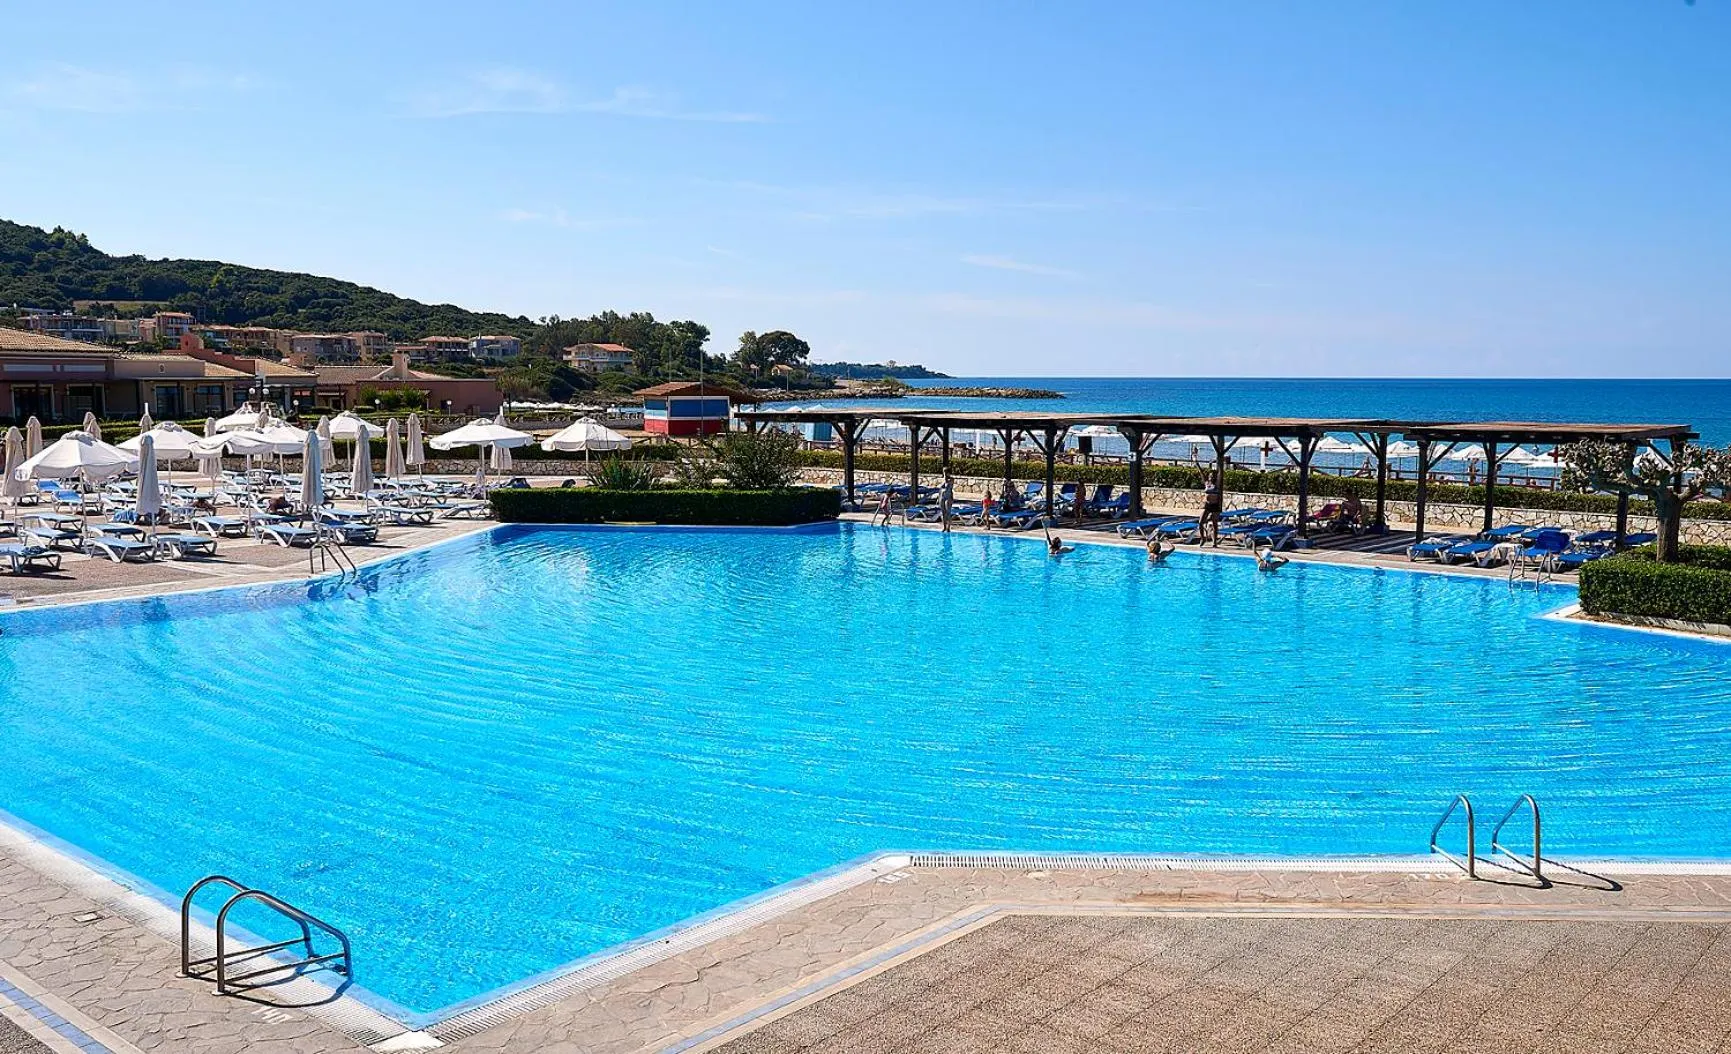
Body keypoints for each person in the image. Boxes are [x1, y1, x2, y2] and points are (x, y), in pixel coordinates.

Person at [1200, 469, 1223, 546]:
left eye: (1212, 476)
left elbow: (1220, 474)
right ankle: (1203, 538)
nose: (1211, 477)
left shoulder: (1217, 484)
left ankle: (1214, 542)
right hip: (1207, 505)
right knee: (1200, 522)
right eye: (1210, 476)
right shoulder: (1206, 483)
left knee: (1214, 524)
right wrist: (1196, 462)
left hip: (1215, 505)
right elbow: (1201, 472)